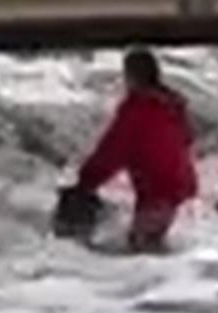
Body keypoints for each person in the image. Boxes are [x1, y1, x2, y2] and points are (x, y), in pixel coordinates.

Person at [75, 48, 198, 253]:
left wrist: (86, 180)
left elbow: (112, 150)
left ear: (131, 76)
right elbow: (188, 138)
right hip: (179, 184)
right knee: (153, 243)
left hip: (157, 189)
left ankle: (164, 281)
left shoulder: (137, 110)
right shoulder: (172, 105)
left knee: (141, 245)